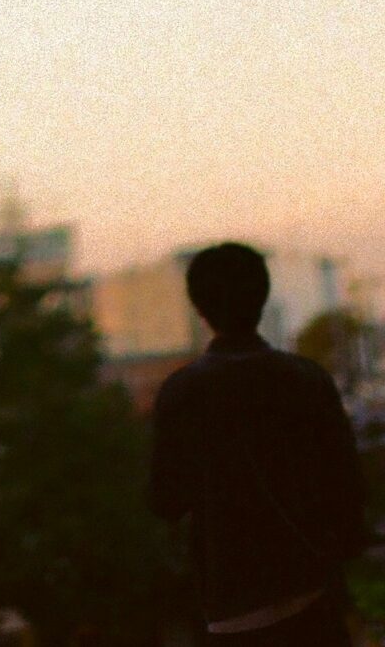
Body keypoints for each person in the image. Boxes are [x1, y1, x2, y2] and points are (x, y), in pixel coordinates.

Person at [147, 243, 364, 647]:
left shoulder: (182, 393)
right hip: (314, 603)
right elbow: (349, 496)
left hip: (232, 612)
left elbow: (165, 501)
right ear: (264, 297)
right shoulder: (308, 380)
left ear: (199, 308)